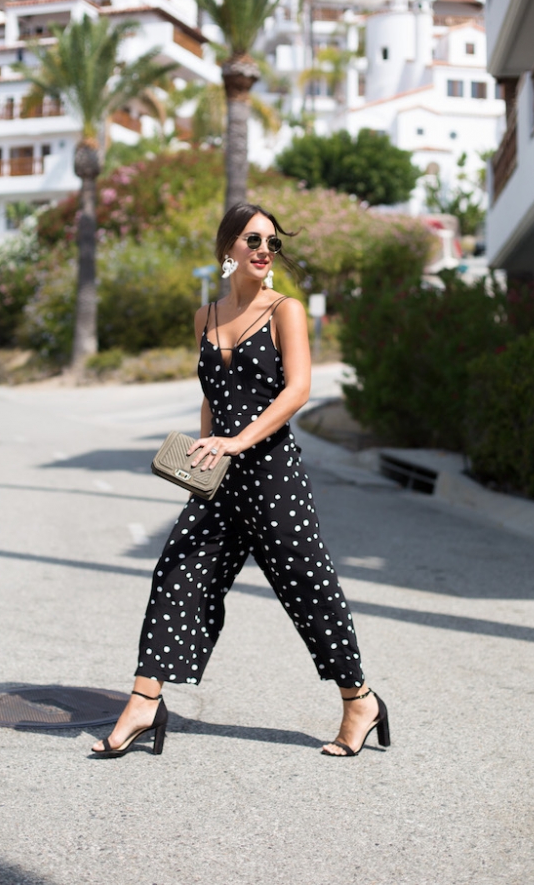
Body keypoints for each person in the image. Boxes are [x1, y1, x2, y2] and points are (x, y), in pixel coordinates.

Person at [92, 203, 390, 759]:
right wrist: (204, 459)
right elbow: (212, 394)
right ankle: (144, 700)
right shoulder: (204, 317)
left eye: (272, 243)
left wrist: (235, 442)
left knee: (309, 590)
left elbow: (296, 391)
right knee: (177, 572)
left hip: (273, 474)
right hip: (220, 477)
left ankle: (360, 701)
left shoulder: (286, 310)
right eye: (252, 239)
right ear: (227, 246)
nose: (262, 250)